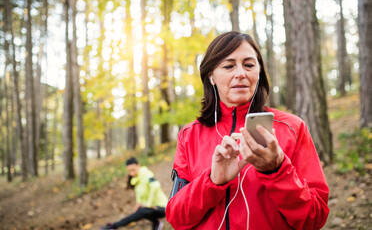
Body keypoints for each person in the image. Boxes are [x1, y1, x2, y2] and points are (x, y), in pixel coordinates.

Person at [166, 31, 329, 230]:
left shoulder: (292, 128)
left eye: (249, 65)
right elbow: (176, 217)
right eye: (229, 65)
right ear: (211, 77)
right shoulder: (189, 135)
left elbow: (315, 218)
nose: (241, 73)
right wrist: (213, 181)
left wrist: (277, 170)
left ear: (259, 72)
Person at [101, 157, 167, 230]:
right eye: (129, 171)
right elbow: (140, 194)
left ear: (138, 165)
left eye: (133, 170)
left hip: (162, 207)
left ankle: (113, 226)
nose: (131, 173)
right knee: (139, 211)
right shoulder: (136, 179)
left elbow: (155, 186)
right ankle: (156, 223)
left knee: (142, 211)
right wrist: (139, 203)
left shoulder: (146, 174)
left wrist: (149, 205)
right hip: (150, 208)